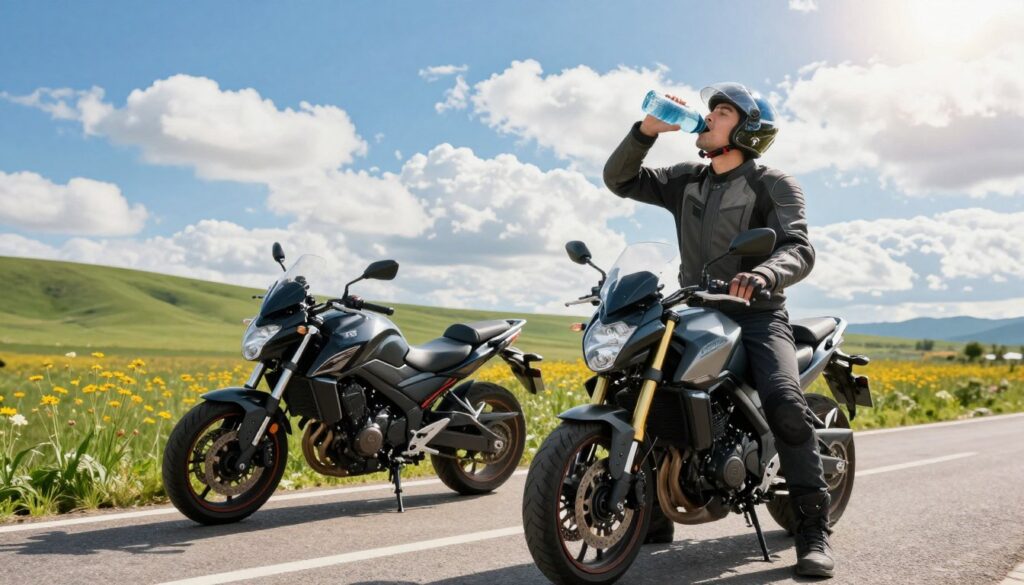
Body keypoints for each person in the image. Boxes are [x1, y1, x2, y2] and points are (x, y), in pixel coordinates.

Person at [603, 82, 835, 578]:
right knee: (642, 385)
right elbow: (620, 180)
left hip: (756, 312)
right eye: (709, 110)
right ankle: (653, 513)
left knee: (785, 402)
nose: (708, 117)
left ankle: (813, 530)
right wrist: (646, 131)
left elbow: (799, 247)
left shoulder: (773, 183)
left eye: (721, 111)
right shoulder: (687, 178)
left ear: (746, 128)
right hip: (694, 306)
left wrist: (764, 274)